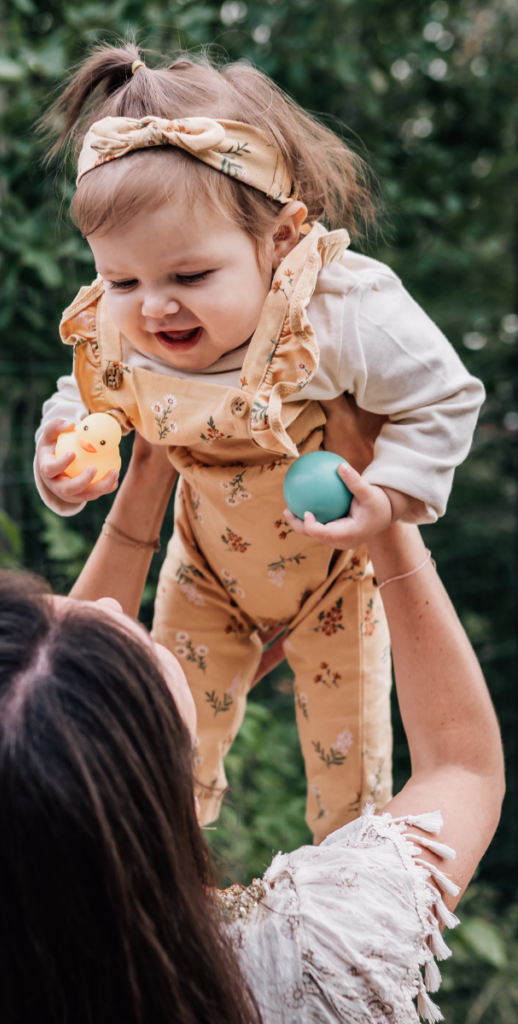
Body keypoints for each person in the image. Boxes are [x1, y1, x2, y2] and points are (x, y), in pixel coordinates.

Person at [0, 430, 504, 1024]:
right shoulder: (308, 954)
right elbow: (461, 765)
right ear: (175, 783)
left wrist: (149, 470)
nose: (103, 601)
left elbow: (50, 703)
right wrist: (382, 503)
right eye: (135, 638)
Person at [33, 44, 486, 842]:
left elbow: (444, 394)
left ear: (280, 239)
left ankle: (351, 916)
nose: (153, 309)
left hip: (337, 578)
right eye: (124, 281)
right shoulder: (124, 325)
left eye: (190, 277)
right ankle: (164, 895)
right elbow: (90, 396)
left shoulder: (338, 309)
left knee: (354, 791)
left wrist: (390, 494)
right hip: (205, 570)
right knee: (167, 767)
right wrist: (67, 452)